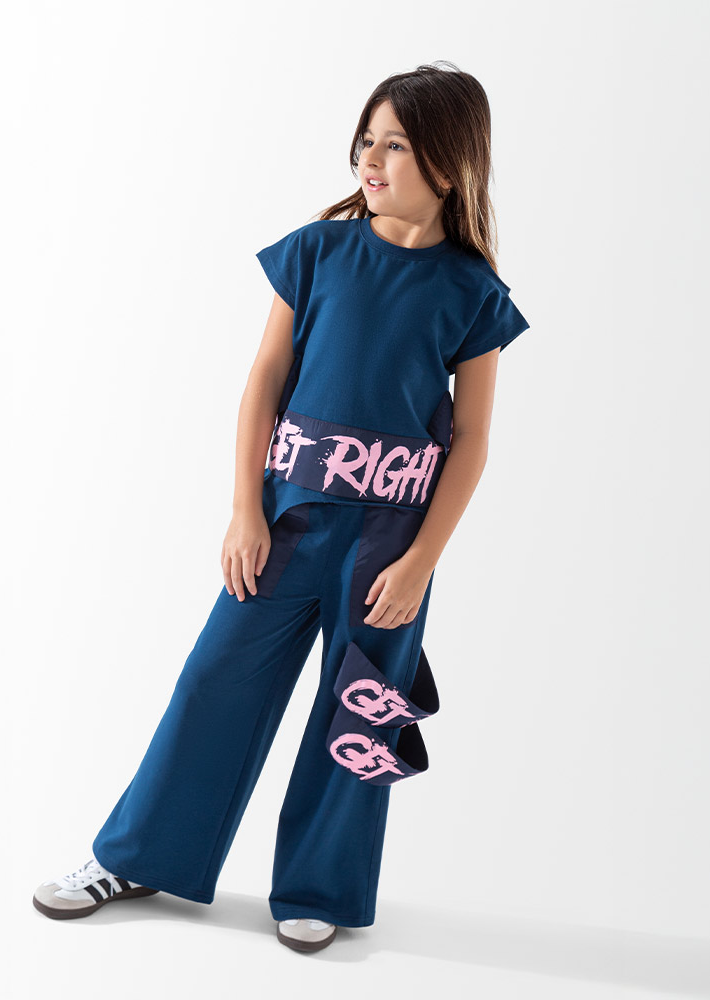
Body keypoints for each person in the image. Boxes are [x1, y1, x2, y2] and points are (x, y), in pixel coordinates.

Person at [32, 60, 531, 954]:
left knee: (357, 717)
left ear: (450, 164)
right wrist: (244, 509)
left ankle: (317, 887)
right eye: (367, 140)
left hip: (388, 551)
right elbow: (264, 380)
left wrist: (421, 562)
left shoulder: (473, 295)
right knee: (213, 683)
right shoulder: (317, 252)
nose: (370, 159)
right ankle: (138, 856)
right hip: (286, 525)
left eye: (396, 145)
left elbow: (472, 440)